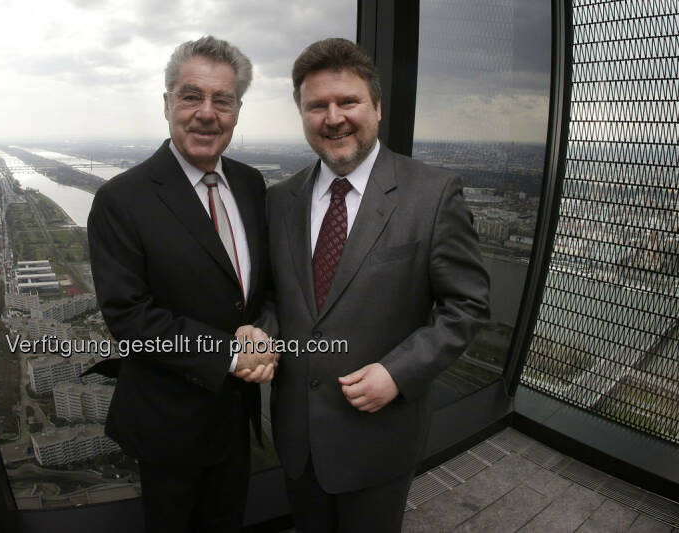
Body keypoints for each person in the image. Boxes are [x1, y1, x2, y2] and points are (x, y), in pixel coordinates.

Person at [257, 38, 490, 532]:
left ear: (378, 108)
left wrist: (398, 373)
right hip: (297, 435)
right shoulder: (279, 200)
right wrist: (263, 331)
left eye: (348, 101)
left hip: (379, 437)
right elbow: (277, 296)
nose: (333, 117)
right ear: (302, 116)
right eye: (317, 106)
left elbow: (466, 305)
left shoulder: (431, 194)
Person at [85, 35, 276, 533]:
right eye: (192, 96)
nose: (206, 113)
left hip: (236, 416)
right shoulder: (120, 199)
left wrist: (263, 331)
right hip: (170, 424)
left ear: (237, 111)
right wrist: (232, 356)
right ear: (167, 104)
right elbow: (130, 317)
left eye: (223, 100)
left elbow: (264, 288)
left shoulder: (252, 184)